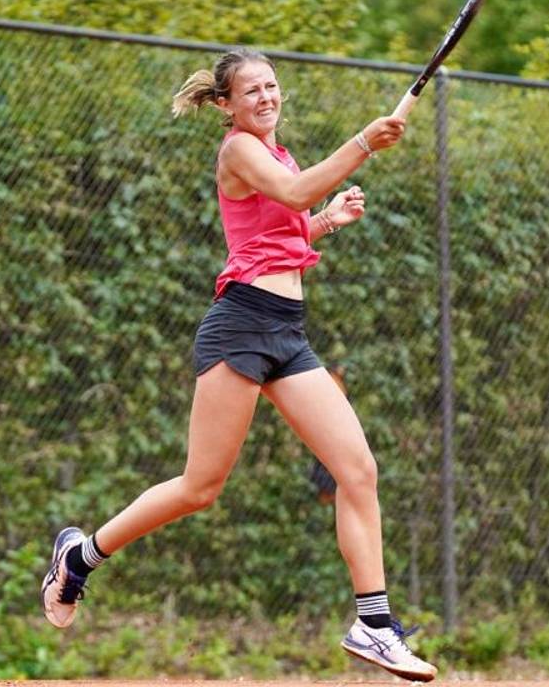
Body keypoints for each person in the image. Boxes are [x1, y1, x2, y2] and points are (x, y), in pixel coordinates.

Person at [39, 48, 436, 682]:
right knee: (201, 487)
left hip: (287, 332)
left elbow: (283, 223)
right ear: (226, 104)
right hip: (242, 327)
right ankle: (80, 557)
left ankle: (375, 624)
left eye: (272, 86)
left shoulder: (277, 152)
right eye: (251, 90)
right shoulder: (239, 150)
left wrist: (325, 223)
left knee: (358, 470)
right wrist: (363, 141)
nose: (266, 97)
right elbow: (295, 192)